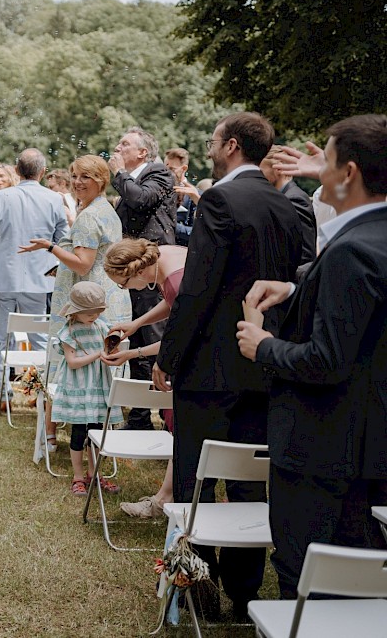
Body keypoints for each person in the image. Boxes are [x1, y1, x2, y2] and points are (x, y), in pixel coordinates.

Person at [155, 111, 303, 619]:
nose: (211, 148)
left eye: (215, 141)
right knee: (246, 484)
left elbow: (196, 288)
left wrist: (169, 356)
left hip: (209, 370)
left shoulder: (219, 199)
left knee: (198, 478)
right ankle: (244, 597)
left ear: (233, 145)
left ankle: (195, 588)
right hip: (264, 363)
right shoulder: (286, 204)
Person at [236, 114, 387, 599]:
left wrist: (264, 347)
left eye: (328, 161)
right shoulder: (374, 237)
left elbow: (327, 359)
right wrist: (300, 283)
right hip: (367, 448)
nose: (316, 169)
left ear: (351, 174)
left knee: (307, 580)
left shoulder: (353, 251)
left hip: (324, 448)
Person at [18, 155, 132, 448]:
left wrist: (52, 247)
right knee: (105, 369)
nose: (78, 182)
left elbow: (83, 264)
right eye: (75, 176)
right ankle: (98, 439)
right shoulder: (105, 209)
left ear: (101, 180)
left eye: (86, 177)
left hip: (89, 303)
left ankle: (57, 436)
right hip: (110, 296)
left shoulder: (89, 216)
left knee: (73, 365)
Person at [102, 238, 188, 518]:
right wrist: (136, 324)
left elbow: (183, 336)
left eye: (122, 285)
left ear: (138, 273)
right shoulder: (165, 257)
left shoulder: (175, 280)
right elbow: (170, 304)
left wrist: (135, 354)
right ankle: (165, 497)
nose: (124, 290)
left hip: (207, 358)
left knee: (186, 429)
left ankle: (169, 501)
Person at [0, 148, 67, 412]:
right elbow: (63, 239)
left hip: (3, 277)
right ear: (42, 172)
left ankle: (3, 390)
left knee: (0, 338)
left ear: (17, 171)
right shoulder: (54, 199)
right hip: (39, 279)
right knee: (40, 337)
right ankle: (42, 392)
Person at [108, 127, 175, 431]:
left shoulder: (159, 173)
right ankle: (139, 417)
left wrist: (120, 174)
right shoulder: (133, 179)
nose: (117, 148)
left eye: (125, 144)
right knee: (137, 340)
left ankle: (166, 415)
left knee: (154, 339)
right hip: (136, 272)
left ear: (143, 153)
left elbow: (141, 201)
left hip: (154, 271)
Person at [51, 282, 123, 497]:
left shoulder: (101, 326)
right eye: (89, 313)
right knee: (78, 434)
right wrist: (98, 355)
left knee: (97, 433)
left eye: (97, 312)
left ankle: (95, 473)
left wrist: (113, 348)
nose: (94, 316)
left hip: (98, 386)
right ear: (76, 311)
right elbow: (72, 362)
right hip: (80, 387)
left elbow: (109, 349)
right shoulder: (69, 331)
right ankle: (78, 476)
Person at [259, 145, 318, 279]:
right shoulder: (282, 198)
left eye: (260, 172)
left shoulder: (294, 199)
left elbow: (305, 254)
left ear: (279, 168)